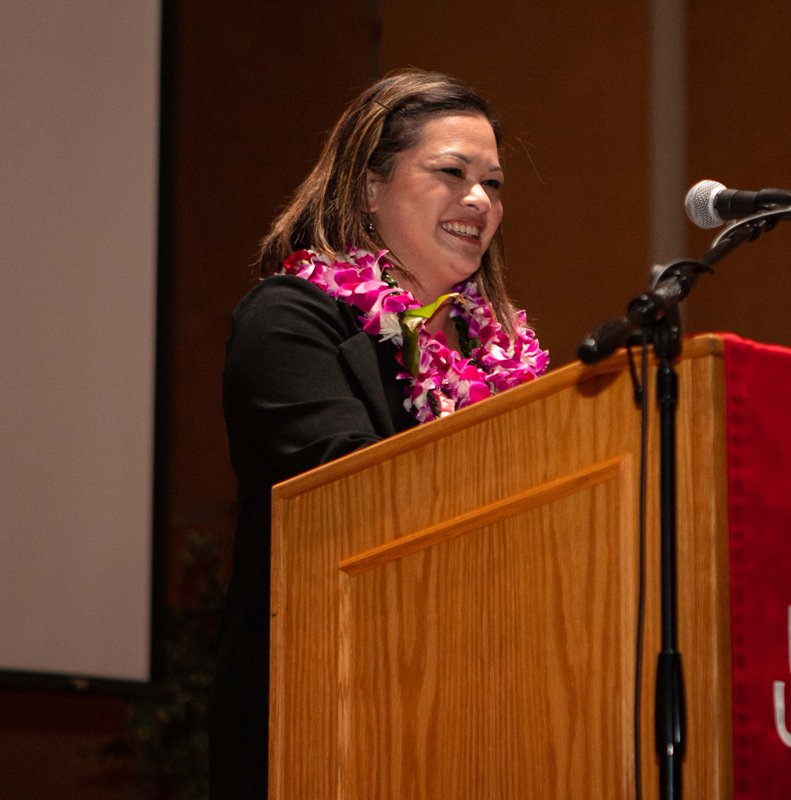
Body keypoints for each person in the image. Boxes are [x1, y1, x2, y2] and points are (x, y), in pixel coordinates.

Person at [210, 69, 548, 798]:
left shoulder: (494, 358)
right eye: (451, 172)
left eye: (493, 182)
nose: (479, 200)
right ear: (369, 188)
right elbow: (358, 500)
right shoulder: (291, 322)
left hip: (481, 709)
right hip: (332, 709)